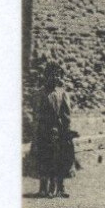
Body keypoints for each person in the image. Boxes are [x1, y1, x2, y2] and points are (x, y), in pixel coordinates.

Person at [32, 66, 78, 198]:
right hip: (43, 130)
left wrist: (65, 129)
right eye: (52, 75)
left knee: (59, 158)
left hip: (58, 130)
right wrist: (38, 129)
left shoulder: (61, 93)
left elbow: (66, 113)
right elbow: (37, 113)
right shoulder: (40, 93)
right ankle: (43, 188)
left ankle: (59, 187)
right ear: (46, 77)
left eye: (58, 75)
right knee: (43, 158)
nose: (55, 78)